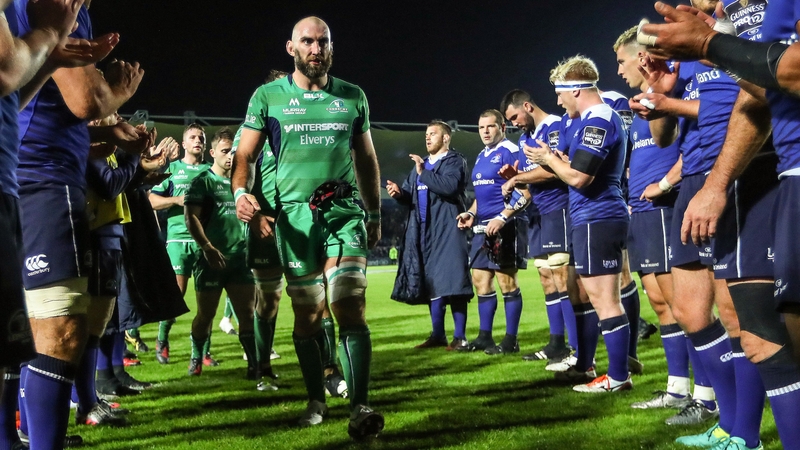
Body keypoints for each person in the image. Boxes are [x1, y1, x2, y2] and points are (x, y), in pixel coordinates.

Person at [643, 2, 800, 448]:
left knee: (762, 333)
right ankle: (738, 431)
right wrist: (713, 48)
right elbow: (761, 89)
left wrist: (712, 45)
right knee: (758, 334)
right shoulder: (731, 19)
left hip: (759, 171)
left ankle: (739, 430)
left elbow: (784, 76)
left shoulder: (743, 17)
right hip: (755, 173)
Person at [231, 16, 384, 439]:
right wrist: (241, 193)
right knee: (308, 314)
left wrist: (373, 213)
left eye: (323, 42)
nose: (316, 49)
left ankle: (360, 406)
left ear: (331, 47)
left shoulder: (352, 96)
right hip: (294, 220)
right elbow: (244, 155)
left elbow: (366, 158)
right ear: (291, 48)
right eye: (308, 42)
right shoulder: (267, 96)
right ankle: (317, 398)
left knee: (349, 304)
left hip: (343, 212)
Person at [0, 1, 117, 448]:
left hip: (21, 176)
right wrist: (51, 38)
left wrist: (49, 60)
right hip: (39, 177)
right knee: (59, 328)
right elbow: (87, 100)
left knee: (18, 330)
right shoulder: (50, 6)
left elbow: (11, 92)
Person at [524, 55, 631, 393]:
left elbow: (580, 178)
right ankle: (595, 367)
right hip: (591, 217)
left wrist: (549, 159)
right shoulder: (592, 119)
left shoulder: (598, 119)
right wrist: (559, 161)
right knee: (588, 294)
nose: (558, 102)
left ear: (575, 89)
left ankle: (618, 377)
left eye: (560, 93)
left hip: (598, 216)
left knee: (605, 301)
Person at [612, 27, 694, 411]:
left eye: (621, 61)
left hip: (664, 207)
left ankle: (704, 393)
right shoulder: (641, 103)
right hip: (642, 211)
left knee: (683, 306)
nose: (619, 70)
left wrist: (664, 184)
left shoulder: (671, 93)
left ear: (640, 56)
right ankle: (677, 388)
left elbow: (693, 147)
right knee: (661, 304)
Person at [500, 90, 576, 367]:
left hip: (559, 209)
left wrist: (518, 177)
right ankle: (556, 344)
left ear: (527, 106)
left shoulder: (554, 127)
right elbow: (531, 182)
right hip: (537, 214)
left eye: (515, 117)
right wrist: (517, 181)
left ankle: (575, 348)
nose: (514, 124)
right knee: (546, 277)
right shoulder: (524, 140)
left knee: (562, 278)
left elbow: (556, 169)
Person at [387, 119, 472, 351]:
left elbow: (449, 187)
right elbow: (410, 194)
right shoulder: (421, 165)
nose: (427, 137)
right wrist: (399, 193)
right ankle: (437, 335)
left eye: (433, 133)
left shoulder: (454, 161)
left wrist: (423, 172)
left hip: (449, 229)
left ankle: (460, 337)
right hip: (423, 231)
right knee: (431, 283)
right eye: (426, 134)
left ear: (446, 138)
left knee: (454, 281)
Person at [184, 127, 256, 377]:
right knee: (206, 315)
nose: (230, 156)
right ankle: (196, 356)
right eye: (225, 151)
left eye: (233, 151)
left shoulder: (243, 183)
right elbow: (190, 218)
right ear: (212, 153)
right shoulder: (202, 181)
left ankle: (254, 365)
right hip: (211, 260)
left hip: (240, 259)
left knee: (247, 314)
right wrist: (207, 247)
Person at [456, 110, 529, 355]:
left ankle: (511, 341)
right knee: (480, 280)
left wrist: (503, 216)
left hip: (506, 225)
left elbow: (525, 190)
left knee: (506, 281)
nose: (485, 131)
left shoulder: (512, 151)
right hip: (482, 226)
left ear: (502, 127)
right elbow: (482, 195)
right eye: (481, 127)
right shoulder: (481, 155)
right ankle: (485, 337)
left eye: (490, 126)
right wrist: (471, 213)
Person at [149, 123, 211, 365]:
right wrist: (176, 200)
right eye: (193, 137)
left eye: (201, 138)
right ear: (184, 143)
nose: (198, 141)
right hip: (178, 241)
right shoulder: (173, 169)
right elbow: (151, 200)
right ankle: (162, 339)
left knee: (208, 301)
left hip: (206, 243)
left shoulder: (211, 171)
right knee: (177, 295)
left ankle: (203, 352)